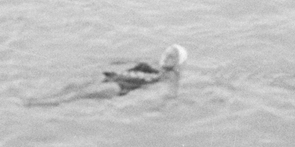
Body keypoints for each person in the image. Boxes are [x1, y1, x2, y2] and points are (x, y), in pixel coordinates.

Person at [25, 44, 187, 106]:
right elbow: (123, 60)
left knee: (82, 94)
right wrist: (102, 61)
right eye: (166, 52)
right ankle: (42, 98)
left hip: (121, 87)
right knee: (72, 86)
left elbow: (171, 93)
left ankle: (40, 103)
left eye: (172, 56)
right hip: (114, 77)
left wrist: (158, 106)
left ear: (178, 62)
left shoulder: (171, 75)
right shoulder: (151, 62)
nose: (166, 56)